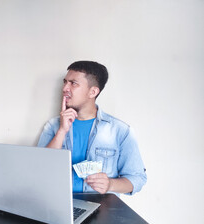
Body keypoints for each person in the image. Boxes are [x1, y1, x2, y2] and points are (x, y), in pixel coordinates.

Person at [37, 60, 147, 195]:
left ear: (93, 91)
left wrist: (110, 184)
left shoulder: (120, 131)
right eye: (65, 82)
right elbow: (40, 171)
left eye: (73, 83)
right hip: (58, 204)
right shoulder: (53, 127)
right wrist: (62, 131)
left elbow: (137, 178)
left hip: (102, 209)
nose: (65, 88)